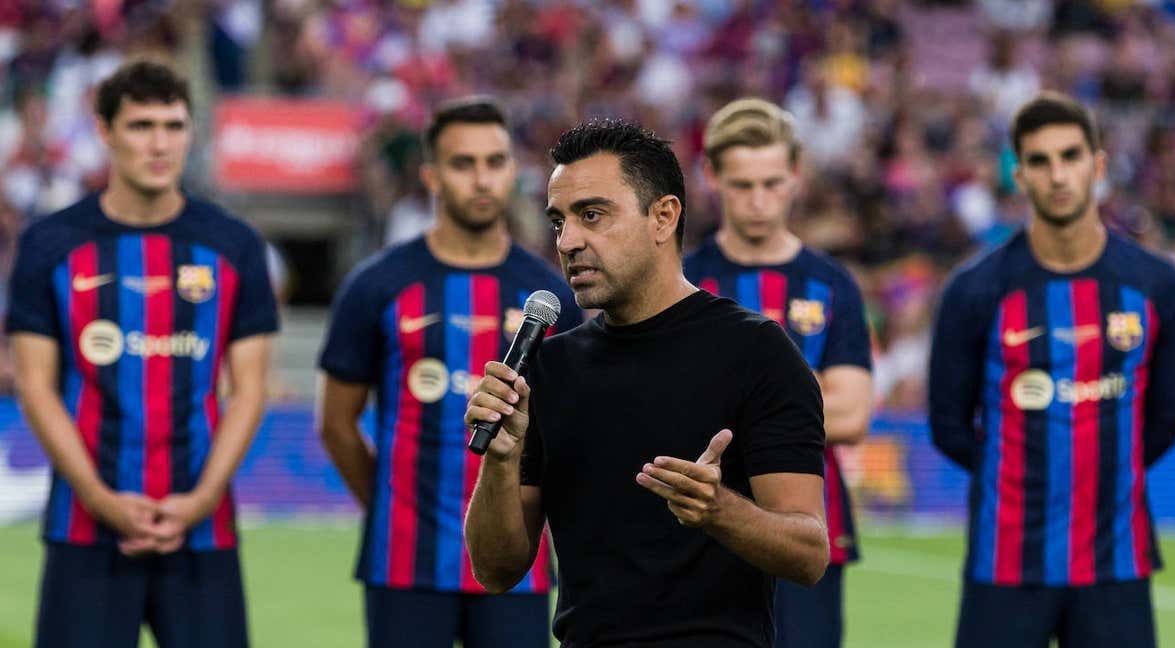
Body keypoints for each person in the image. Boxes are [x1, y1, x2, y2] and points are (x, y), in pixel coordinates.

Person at [464, 118, 830, 647]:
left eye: (592, 214)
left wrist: (718, 510)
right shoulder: (548, 368)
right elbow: (496, 571)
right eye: (559, 221)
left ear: (663, 216)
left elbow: (809, 553)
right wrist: (498, 461)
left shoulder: (757, 352)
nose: (568, 241)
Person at [6, 59, 278, 648]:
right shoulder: (50, 245)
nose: (160, 143)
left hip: (201, 530)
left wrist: (201, 499)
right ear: (104, 131)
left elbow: (251, 387)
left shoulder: (233, 244)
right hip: (85, 526)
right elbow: (34, 384)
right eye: (140, 125)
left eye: (173, 125)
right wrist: (101, 498)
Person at [929, 92, 1175, 648]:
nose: (1058, 175)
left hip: (1115, 564)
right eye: (1040, 162)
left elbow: (1165, 418)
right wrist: (1015, 473)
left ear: (1097, 166)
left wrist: (1103, 469)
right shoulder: (974, 290)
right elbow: (948, 424)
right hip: (1005, 562)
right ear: (1019, 177)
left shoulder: (1155, 283)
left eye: (1071, 156)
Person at [317, 97, 580, 648]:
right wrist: (390, 505)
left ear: (513, 170)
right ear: (431, 175)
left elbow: (575, 432)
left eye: (495, 161)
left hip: (519, 565)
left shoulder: (554, 294)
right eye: (464, 163)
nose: (482, 179)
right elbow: (337, 424)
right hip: (404, 563)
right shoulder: (377, 285)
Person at [684, 98, 873, 648]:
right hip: (697, 530)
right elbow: (658, 403)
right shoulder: (678, 280)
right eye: (743, 185)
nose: (759, 201)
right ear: (713, 177)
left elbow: (852, 413)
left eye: (772, 182)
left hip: (809, 530)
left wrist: (722, 400)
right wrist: (797, 400)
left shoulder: (832, 284)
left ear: (795, 176)